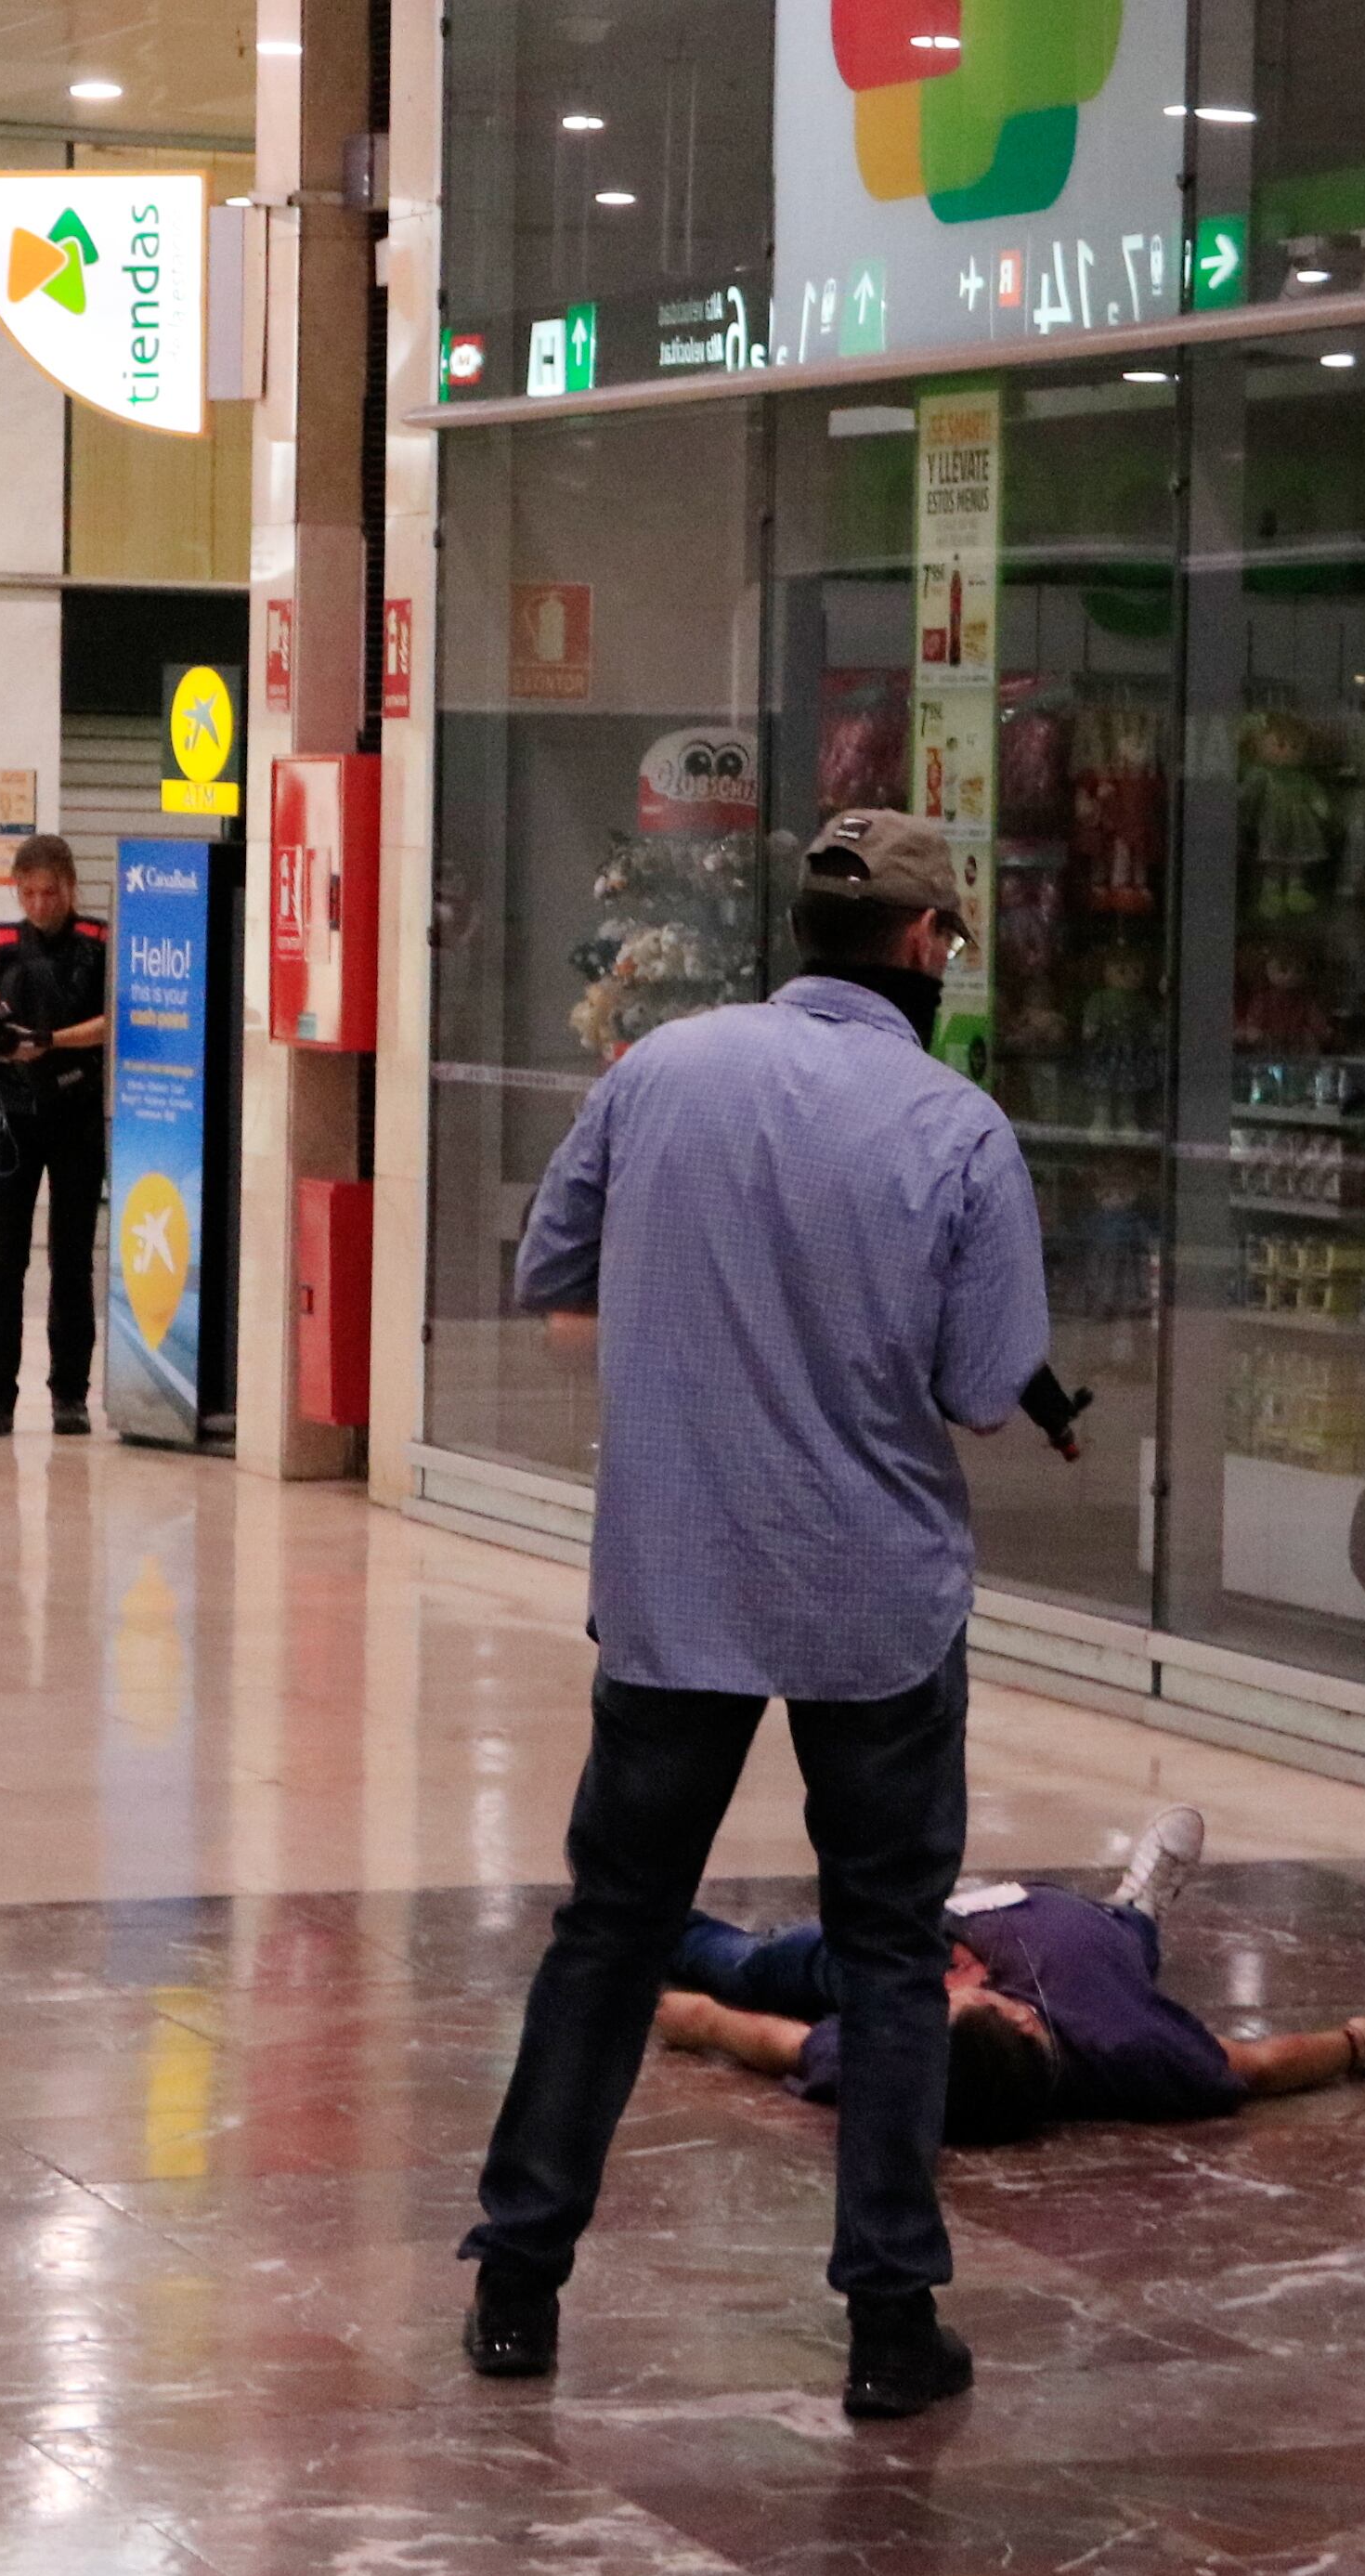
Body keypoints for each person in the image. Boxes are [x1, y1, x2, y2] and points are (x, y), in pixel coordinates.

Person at [459, 808, 1049, 2423]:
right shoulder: (956, 1127)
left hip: (678, 1583)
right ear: (929, 945)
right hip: (877, 1601)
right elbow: (985, 1386)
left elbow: (551, 1266)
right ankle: (886, 2320)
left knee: (613, 1924)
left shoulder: (658, 1070)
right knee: (884, 1944)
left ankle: (519, 2277)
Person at [653, 1807, 1365, 2129]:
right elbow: (1257, 2066)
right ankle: (1138, 1902)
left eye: (945, 2000)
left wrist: (704, 2020)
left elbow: (781, 2043)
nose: (955, 1990)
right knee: (1131, 1945)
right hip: (1087, 1935)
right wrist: (1358, 2043)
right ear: (1019, 2015)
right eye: (957, 1999)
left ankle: (640, 1920)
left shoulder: (895, 2051)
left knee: (750, 1963)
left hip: (894, 1945)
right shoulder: (1134, 2045)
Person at [0, 836, 110, 1440]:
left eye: (51, 892)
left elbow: (114, 1024)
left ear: (70, 888)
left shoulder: (97, 946)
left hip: (75, 1114)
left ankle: (69, 1397)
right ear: (16, 890)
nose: (40, 903)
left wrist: (51, 1040)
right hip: (9, 1120)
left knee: (72, 1262)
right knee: (4, 1265)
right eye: (29, 892)